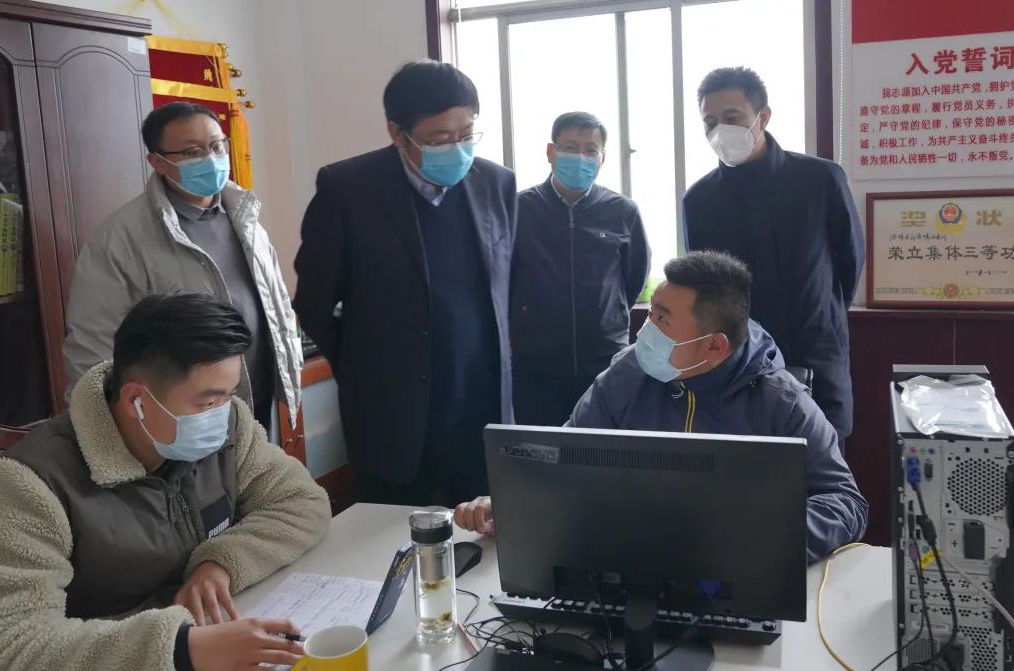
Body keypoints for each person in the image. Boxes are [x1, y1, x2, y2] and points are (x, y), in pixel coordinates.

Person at [0, 294, 331, 671]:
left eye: (229, 396)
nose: (222, 414)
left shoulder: (230, 426)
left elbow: (301, 501)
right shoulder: (26, 484)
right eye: (206, 403)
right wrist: (181, 650)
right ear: (137, 401)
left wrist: (221, 563)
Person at [456, 251, 868, 563]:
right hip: (631, 564)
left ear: (714, 345)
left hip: (734, 574)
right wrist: (511, 501)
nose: (645, 330)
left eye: (662, 320)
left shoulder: (781, 401)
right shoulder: (627, 374)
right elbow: (566, 454)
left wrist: (755, 538)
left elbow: (845, 502)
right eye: (650, 312)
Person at [294, 60, 516, 507]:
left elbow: (505, 286)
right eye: (440, 138)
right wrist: (363, 367)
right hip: (390, 415)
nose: (457, 148)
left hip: (479, 410)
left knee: (484, 535)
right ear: (397, 133)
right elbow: (314, 301)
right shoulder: (348, 188)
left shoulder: (496, 182)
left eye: (466, 134)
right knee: (389, 534)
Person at [63, 102, 302, 440]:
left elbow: (275, 304)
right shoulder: (120, 240)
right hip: (182, 419)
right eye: (192, 152)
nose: (211, 158)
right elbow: (93, 348)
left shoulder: (245, 216)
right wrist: (104, 436)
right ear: (157, 162)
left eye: (217, 145)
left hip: (258, 401)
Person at [682, 67, 864, 445]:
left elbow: (850, 262)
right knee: (749, 473)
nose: (720, 130)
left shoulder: (820, 180)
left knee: (825, 468)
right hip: (739, 368)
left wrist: (822, 314)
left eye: (732, 118)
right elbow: (703, 288)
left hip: (818, 358)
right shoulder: (699, 201)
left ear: (763, 117)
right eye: (710, 122)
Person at [511, 111, 650, 426]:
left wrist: (605, 317)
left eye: (590, 150)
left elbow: (633, 279)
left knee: (603, 449)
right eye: (570, 148)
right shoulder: (519, 209)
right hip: (535, 365)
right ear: (551, 152)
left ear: (603, 158)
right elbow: (504, 279)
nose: (580, 158)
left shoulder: (622, 211)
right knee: (542, 448)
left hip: (604, 361)